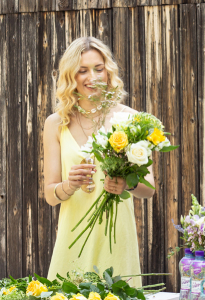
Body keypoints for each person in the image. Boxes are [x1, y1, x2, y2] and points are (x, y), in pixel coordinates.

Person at [43, 37, 155, 287]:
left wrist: (126, 184)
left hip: (116, 240)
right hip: (73, 238)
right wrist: (68, 185)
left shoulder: (131, 119)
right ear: (71, 75)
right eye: (82, 70)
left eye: (98, 68)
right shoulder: (55, 123)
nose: (91, 77)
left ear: (108, 72)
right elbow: (50, 196)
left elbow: (148, 189)